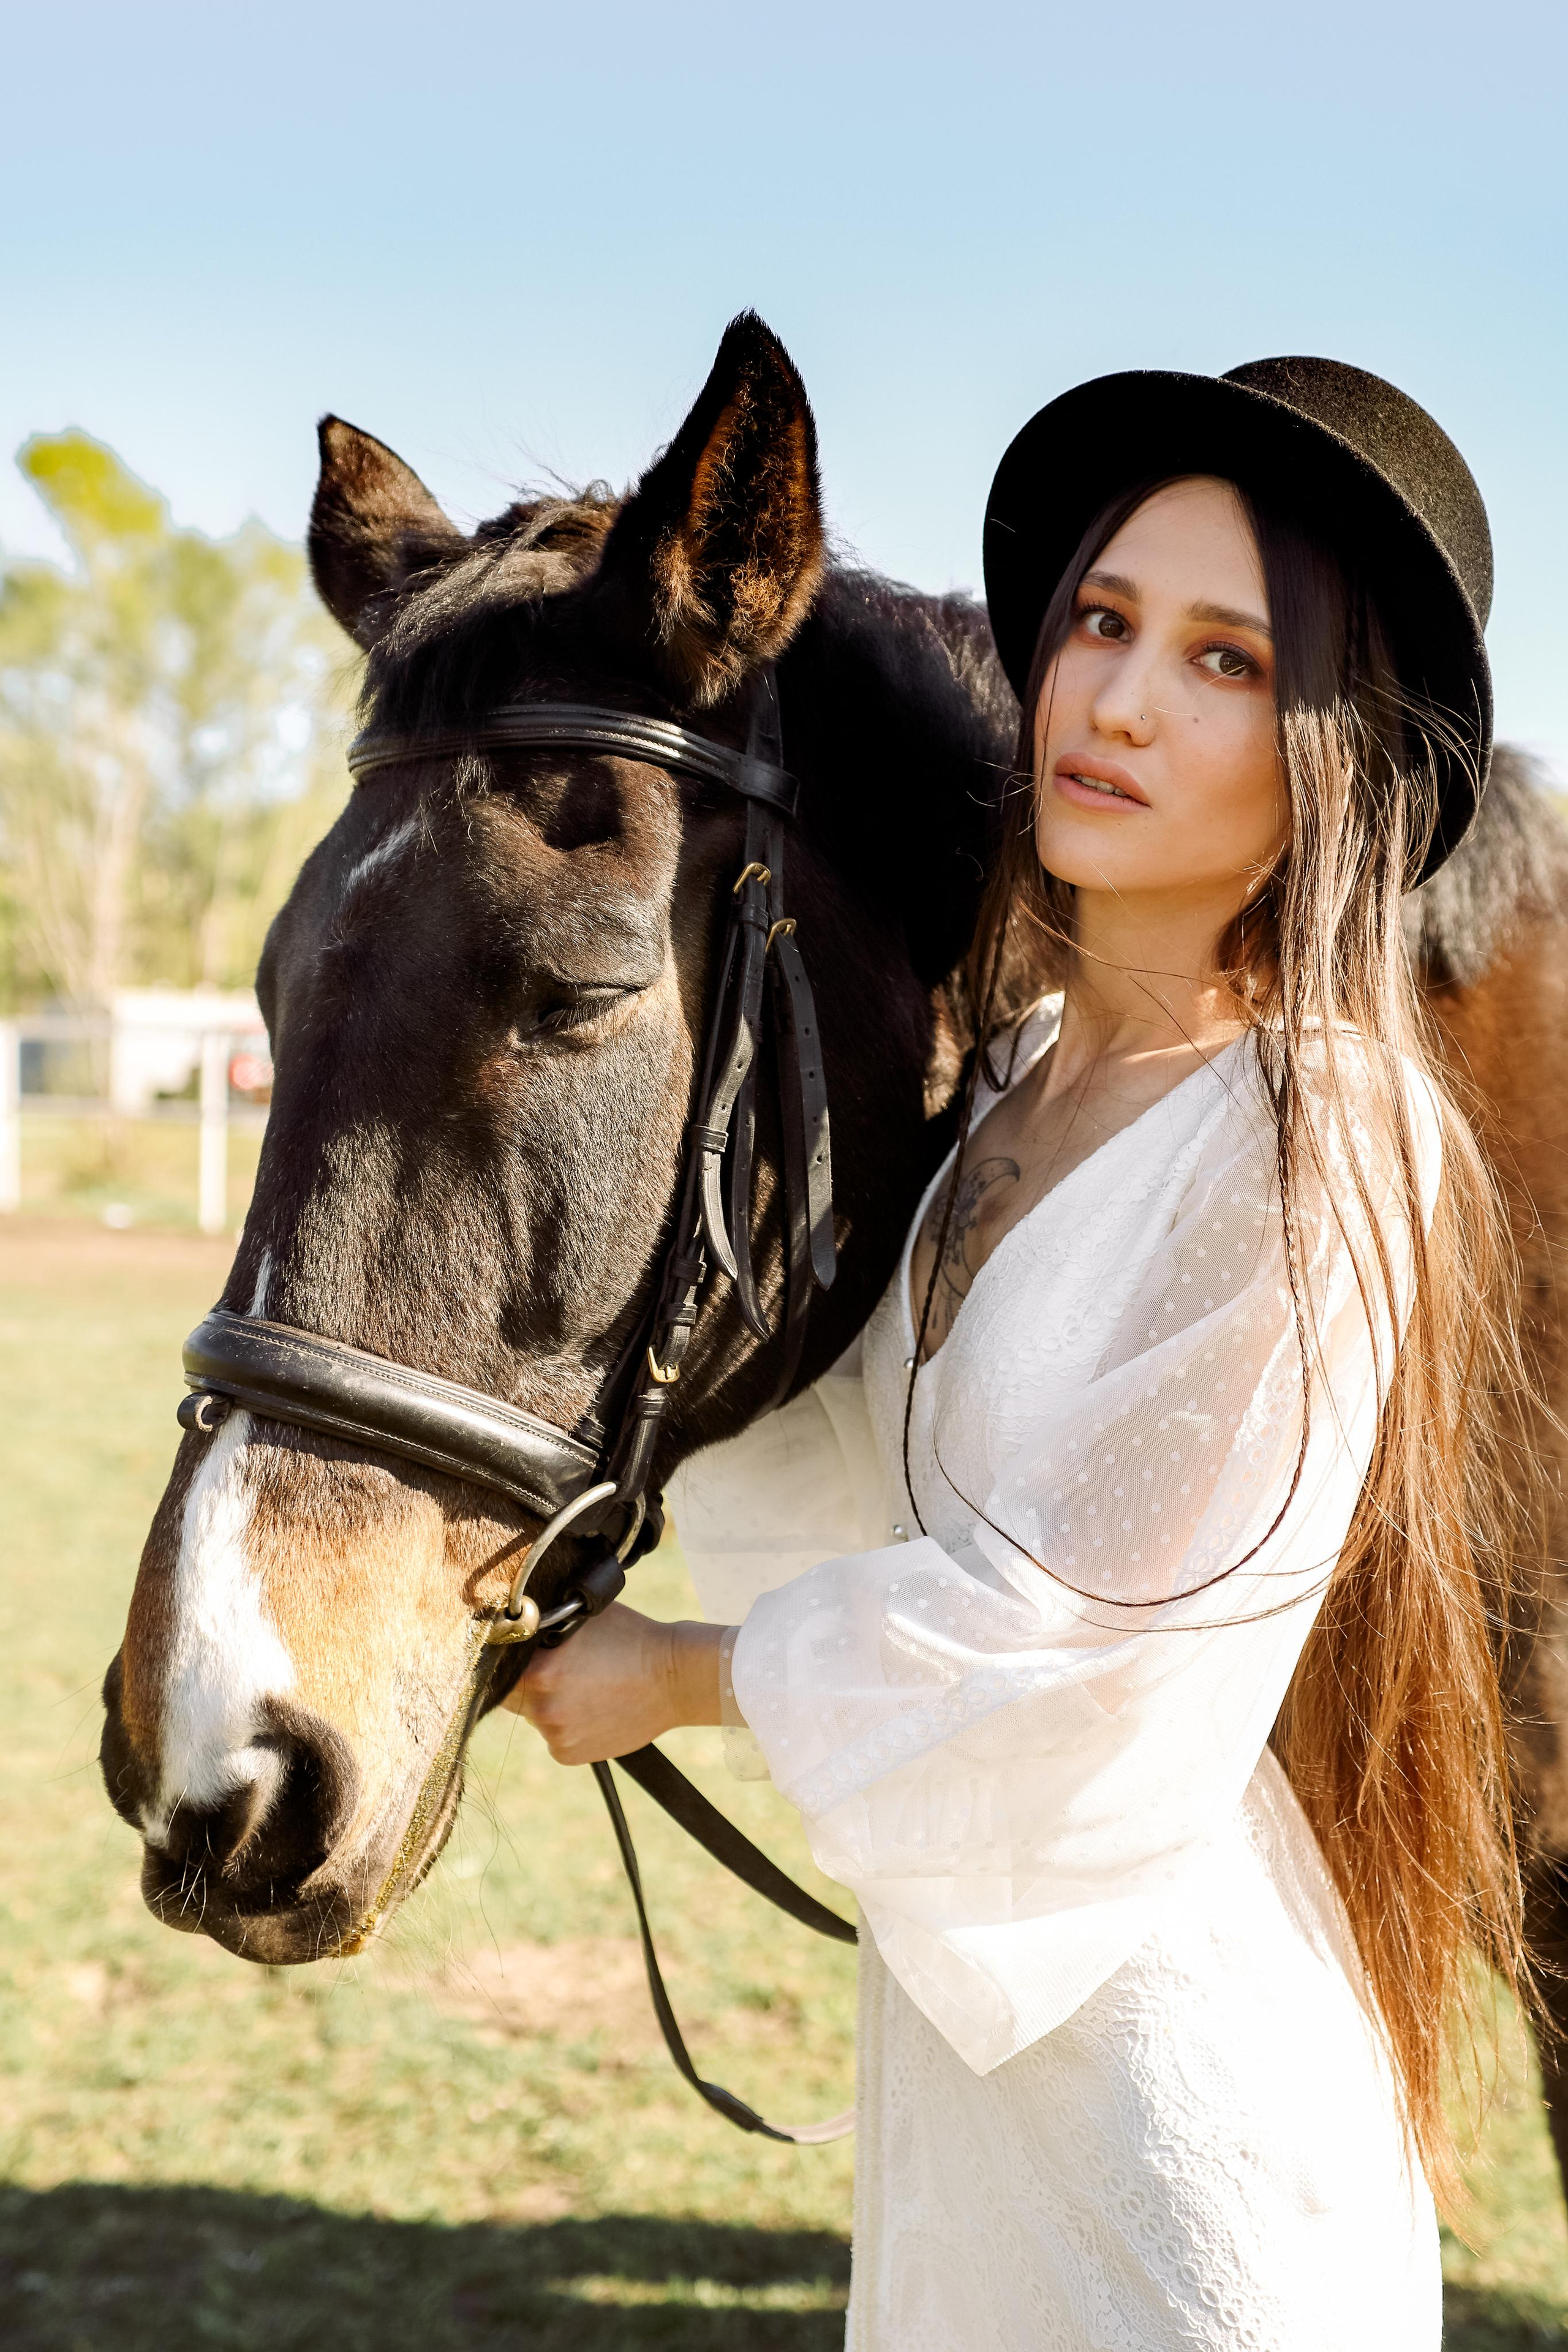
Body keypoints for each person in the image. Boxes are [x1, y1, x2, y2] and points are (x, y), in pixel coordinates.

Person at [507, 358, 1532, 2348]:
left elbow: (1098, 1659)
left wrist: (676, 1681)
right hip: (976, 2104)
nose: (1120, 700)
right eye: (1103, 621)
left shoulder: (1330, 1129)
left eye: (1229, 661)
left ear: (1349, 759)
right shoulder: (1018, 1095)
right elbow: (847, 1481)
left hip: (1181, 2151)